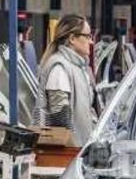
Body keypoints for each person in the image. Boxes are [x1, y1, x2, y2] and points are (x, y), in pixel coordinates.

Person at [38, 14, 97, 146]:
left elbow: (87, 111)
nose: (91, 42)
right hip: (67, 153)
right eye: (87, 36)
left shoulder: (79, 67)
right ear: (72, 39)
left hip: (80, 150)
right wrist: (74, 152)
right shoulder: (59, 68)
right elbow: (60, 121)